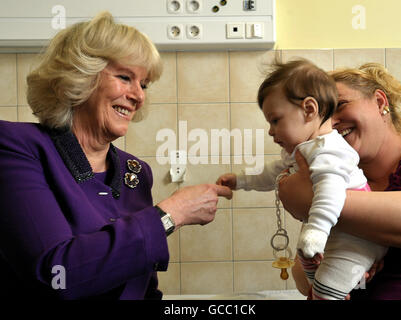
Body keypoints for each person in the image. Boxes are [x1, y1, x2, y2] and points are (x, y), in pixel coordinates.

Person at [0, 11, 232, 300]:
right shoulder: (16, 147)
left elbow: (145, 286)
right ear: (79, 78)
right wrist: (171, 214)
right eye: (125, 77)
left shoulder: (135, 171)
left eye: (144, 84)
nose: (138, 95)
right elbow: (57, 274)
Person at [216, 59, 387, 300]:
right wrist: (241, 181)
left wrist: (316, 230)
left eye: (275, 120)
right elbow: (272, 173)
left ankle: (327, 291)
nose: (271, 131)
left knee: (326, 288)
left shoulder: (330, 149)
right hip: (340, 233)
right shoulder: (304, 149)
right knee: (311, 269)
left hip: (359, 237)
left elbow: (332, 190)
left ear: (309, 109)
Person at [278, 62, 401, 300]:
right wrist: (328, 273)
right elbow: (302, 279)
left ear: (380, 102)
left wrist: (310, 201)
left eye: (340, 105)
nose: (330, 123)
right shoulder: (336, 176)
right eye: (322, 116)